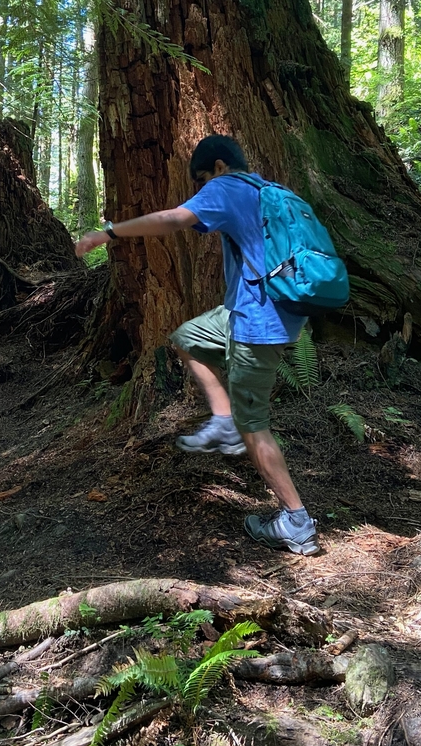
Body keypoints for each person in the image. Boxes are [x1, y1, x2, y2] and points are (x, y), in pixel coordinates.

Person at [75, 135, 320, 556]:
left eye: (204, 180)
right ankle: (223, 420)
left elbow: (174, 219)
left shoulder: (228, 187)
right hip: (265, 309)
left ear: (219, 168)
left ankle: (296, 521)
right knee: (187, 337)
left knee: (254, 424)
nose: (204, 189)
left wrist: (110, 233)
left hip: (257, 322)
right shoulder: (271, 190)